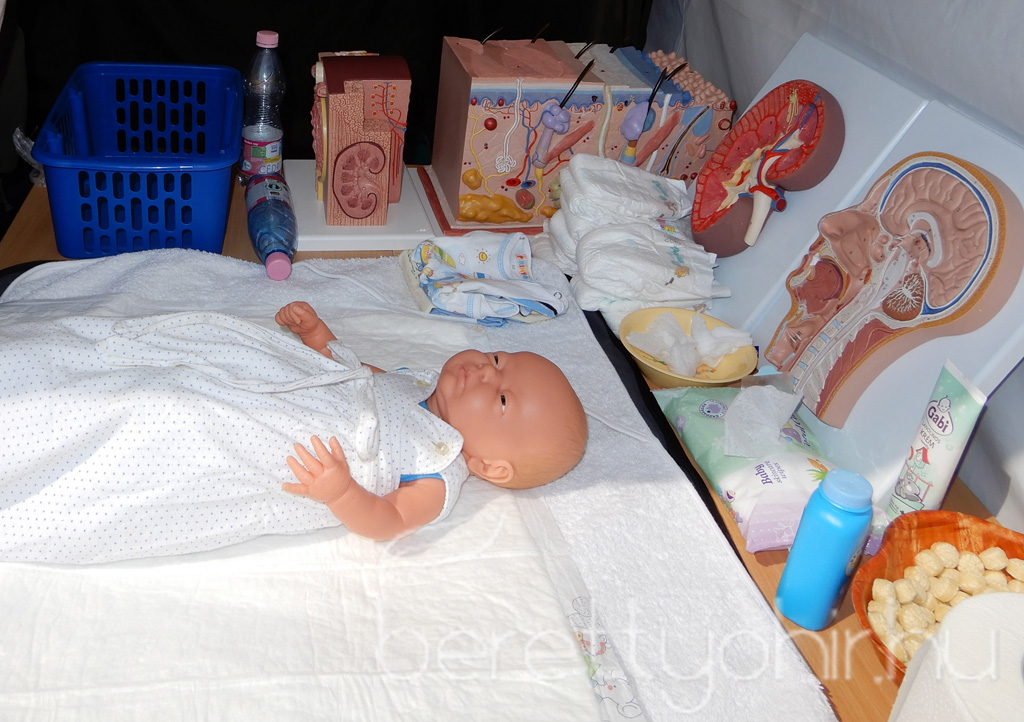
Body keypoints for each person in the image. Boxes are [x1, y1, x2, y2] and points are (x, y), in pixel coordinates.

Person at [275, 301, 588, 541]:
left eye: (503, 399)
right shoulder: (421, 383)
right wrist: (317, 337)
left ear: (489, 466)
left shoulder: (438, 472)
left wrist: (341, 492)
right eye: (497, 360)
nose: (486, 371)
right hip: (291, 391)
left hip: (297, 447)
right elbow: (355, 375)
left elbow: (391, 521)